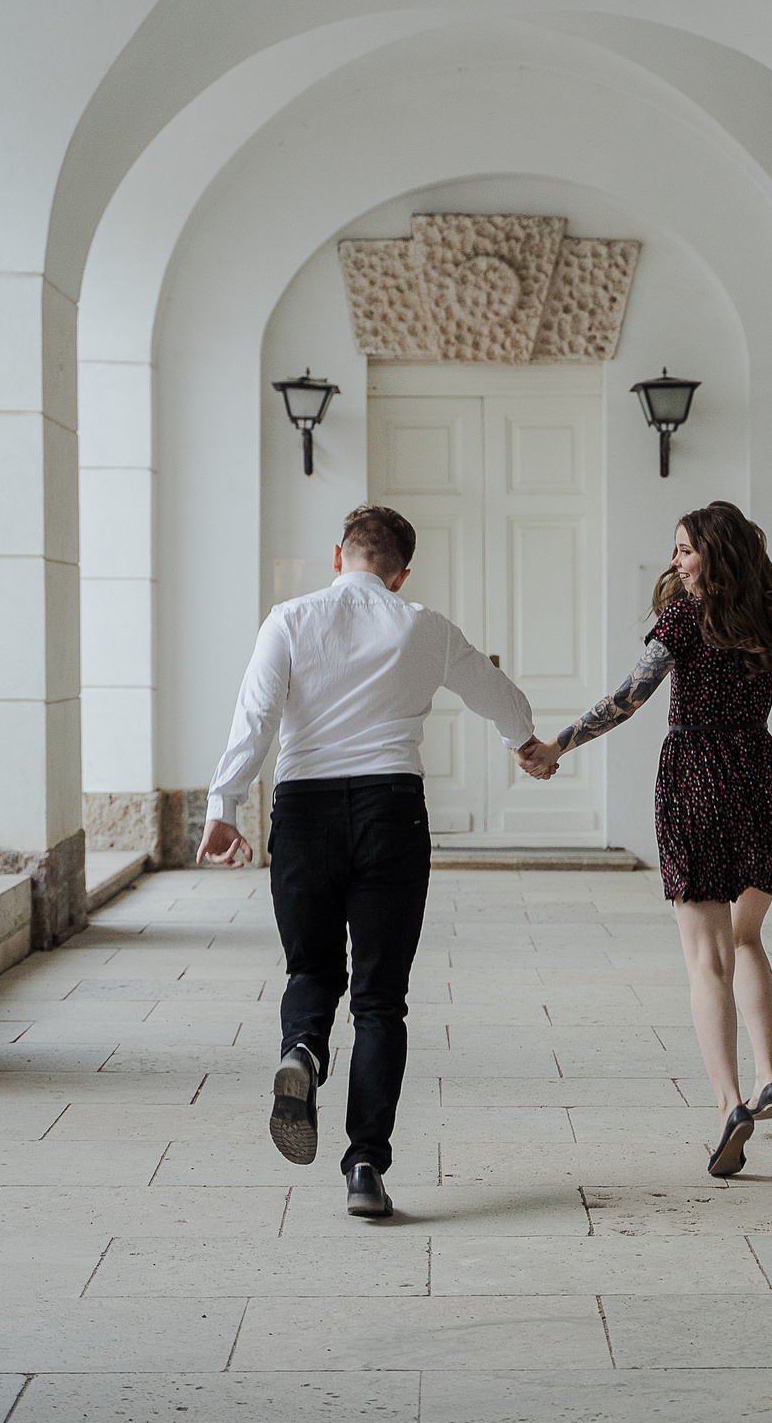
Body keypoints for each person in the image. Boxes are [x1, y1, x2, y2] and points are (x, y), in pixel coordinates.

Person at [199, 503, 547, 1218]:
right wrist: (527, 741)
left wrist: (221, 808)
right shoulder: (422, 624)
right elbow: (501, 700)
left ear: (339, 556)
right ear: (401, 572)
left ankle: (302, 1050)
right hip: (392, 808)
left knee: (312, 969)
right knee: (381, 996)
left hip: (305, 812)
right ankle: (364, 1165)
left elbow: (255, 716)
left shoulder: (289, 620)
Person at [522, 501, 772, 1177]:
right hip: (763, 784)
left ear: (712, 553)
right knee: (747, 938)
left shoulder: (684, 618)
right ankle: (768, 1075)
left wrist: (560, 740)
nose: (675, 562)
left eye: (683, 550)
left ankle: (730, 1102)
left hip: (696, 783)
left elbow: (631, 694)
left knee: (707, 960)